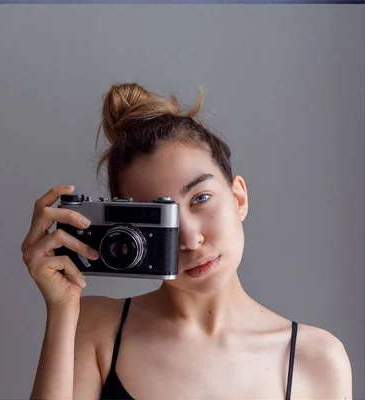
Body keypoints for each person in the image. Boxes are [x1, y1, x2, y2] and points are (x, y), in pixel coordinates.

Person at [20, 82, 352, 399]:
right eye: (162, 221)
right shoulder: (95, 330)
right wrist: (62, 310)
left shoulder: (316, 360)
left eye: (201, 198)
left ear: (238, 198)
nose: (190, 240)